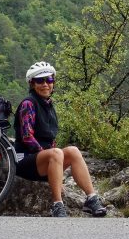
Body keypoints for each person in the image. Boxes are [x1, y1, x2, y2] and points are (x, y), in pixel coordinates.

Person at [14, 61, 107, 218]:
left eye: (49, 80)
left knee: (73, 151)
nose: (45, 84)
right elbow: (27, 137)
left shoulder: (49, 105)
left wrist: (54, 164)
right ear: (32, 83)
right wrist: (51, 155)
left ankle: (91, 198)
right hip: (25, 161)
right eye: (40, 81)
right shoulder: (28, 104)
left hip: (44, 161)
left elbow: (50, 140)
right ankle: (57, 205)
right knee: (56, 153)